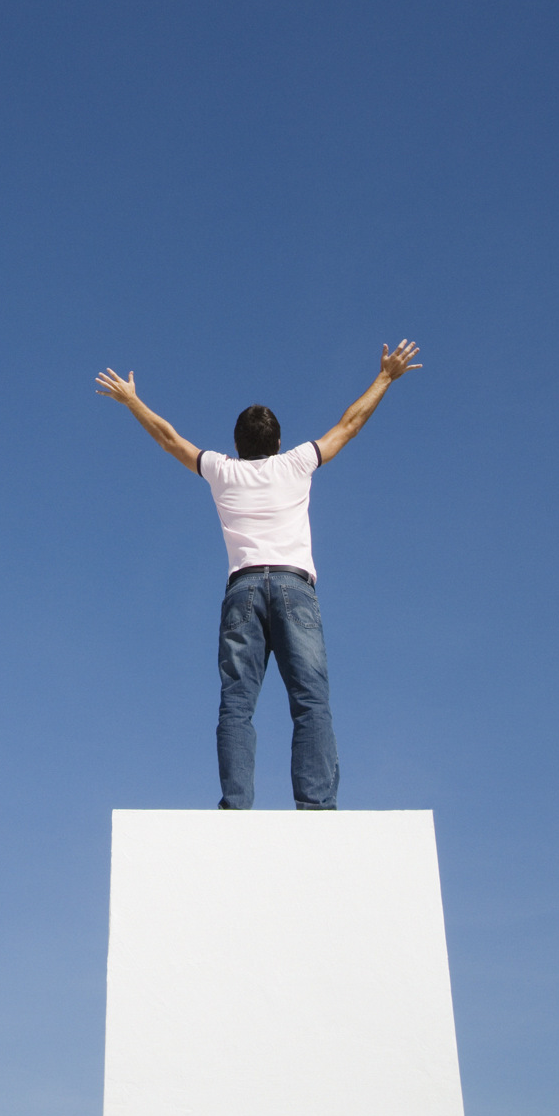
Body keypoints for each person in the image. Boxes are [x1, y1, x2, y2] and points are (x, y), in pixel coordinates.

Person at [95, 342, 422, 810]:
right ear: (277, 442)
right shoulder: (297, 463)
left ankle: (235, 807)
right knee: (310, 702)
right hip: (294, 588)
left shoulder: (222, 471)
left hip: (243, 589)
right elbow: (349, 424)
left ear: (237, 445)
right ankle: (315, 808)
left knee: (237, 704)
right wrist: (386, 377)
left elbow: (170, 439)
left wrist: (131, 401)